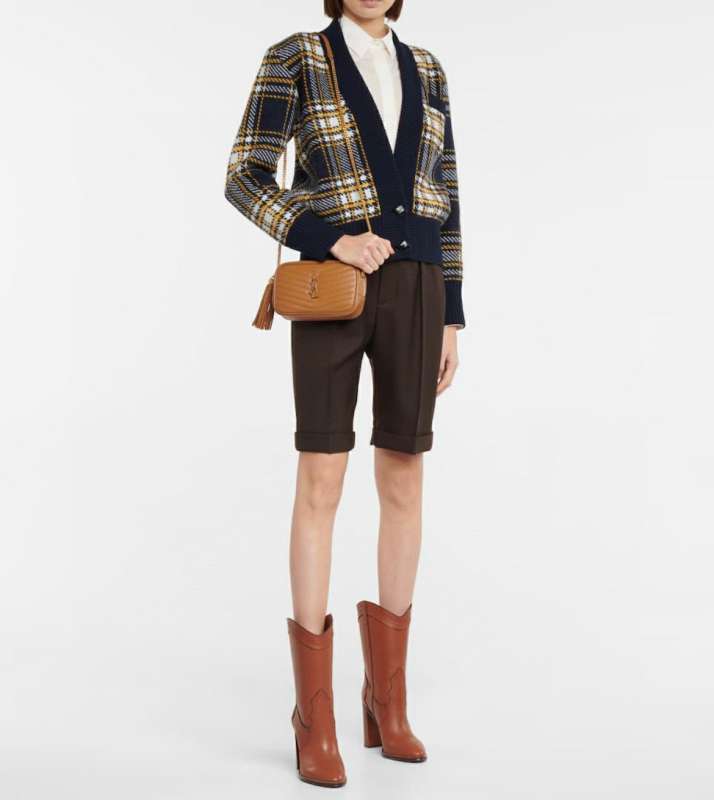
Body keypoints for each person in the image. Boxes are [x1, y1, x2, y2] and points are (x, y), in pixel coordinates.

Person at [224, 0, 465, 787]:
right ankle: (314, 716)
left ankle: (386, 703)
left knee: (404, 475)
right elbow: (244, 175)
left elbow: (448, 195)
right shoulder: (297, 55)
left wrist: (451, 313)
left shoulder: (427, 68)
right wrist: (329, 237)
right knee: (321, 476)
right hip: (334, 287)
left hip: (419, 290)